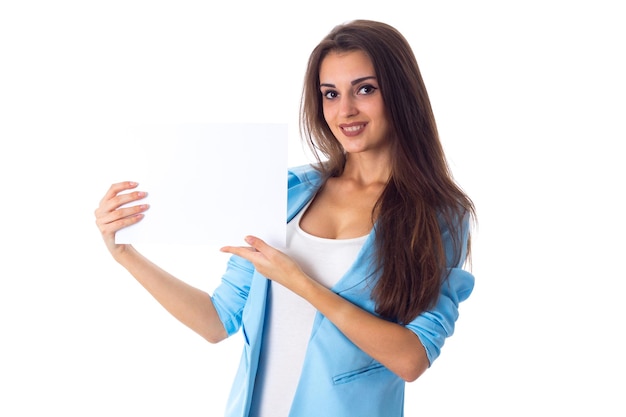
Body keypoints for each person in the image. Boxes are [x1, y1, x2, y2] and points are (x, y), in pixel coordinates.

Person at [94, 19, 476, 417]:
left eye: (365, 89)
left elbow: (411, 359)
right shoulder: (288, 191)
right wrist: (126, 255)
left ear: (400, 93)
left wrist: (300, 282)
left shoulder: (437, 215)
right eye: (330, 94)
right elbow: (217, 321)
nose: (345, 110)